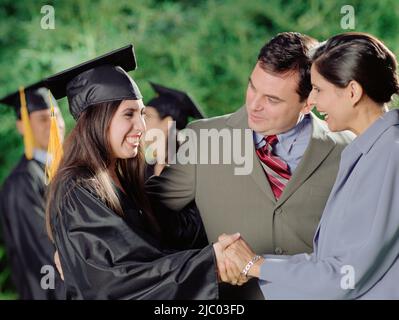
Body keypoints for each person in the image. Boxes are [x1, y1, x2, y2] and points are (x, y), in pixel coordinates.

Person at [145, 32, 355, 299]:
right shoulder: (201, 140)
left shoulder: (348, 149)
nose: (254, 105)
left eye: (272, 99)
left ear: (308, 102)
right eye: (252, 87)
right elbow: (144, 212)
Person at [45, 45, 238, 300]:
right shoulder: (77, 191)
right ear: (97, 118)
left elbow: (173, 234)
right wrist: (211, 263)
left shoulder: (122, 181)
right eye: (129, 114)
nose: (142, 126)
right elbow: (117, 282)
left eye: (143, 113)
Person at [222, 32, 399, 299]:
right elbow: (327, 266)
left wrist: (254, 265)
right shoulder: (368, 151)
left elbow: (342, 278)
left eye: (318, 89)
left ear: (352, 92)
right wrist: (254, 265)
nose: (312, 101)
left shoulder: (390, 155)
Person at [0, 82, 66, 299]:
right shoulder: (22, 182)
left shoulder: (61, 170)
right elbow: (41, 254)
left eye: (56, 116)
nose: (53, 125)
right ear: (22, 126)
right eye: (43, 118)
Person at [144, 82, 205, 178]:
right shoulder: (147, 164)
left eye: (147, 116)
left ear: (167, 122)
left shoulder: (187, 166)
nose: (140, 123)